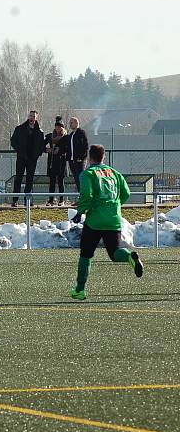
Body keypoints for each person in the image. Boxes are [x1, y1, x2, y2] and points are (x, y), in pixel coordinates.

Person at [69, 144, 143, 300]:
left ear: (90, 157)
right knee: (115, 252)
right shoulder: (114, 173)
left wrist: (80, 212)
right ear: (104, 157)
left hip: (95, 220)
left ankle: (80, 290)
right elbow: (126, 193)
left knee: (86, 254)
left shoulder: (88, 173)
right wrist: (114, 206)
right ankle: (130, 256)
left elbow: (87, 196)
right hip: (113, 218)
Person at [10, 110, 44, 207]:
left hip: (32, 159)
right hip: (21, 158)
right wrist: (19, 150)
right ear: (28, 117)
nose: (32, 118)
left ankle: (27, 201)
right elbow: (13, 141)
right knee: (18, 178)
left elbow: (41, 145)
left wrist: (37, 154)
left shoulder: (39, 132)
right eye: (30, 116)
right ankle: (15, 200)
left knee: (30, 179)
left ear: (36, 118)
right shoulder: (20, 129)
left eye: (34, 116)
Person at [45, 116, 68, 206]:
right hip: (52, 162)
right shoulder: (50, 136)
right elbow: (42, 145)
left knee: (61, 181)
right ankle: (51, 200)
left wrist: (60, 150)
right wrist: (47, 150)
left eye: (60, 126)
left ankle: (61, 200)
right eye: (57, 126)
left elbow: (67, 149)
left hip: (61, 161)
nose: (58, 128)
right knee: (52, 181)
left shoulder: (66, 137)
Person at [66, 117, 89, 195]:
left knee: (80, 178)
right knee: (76, 178)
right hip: (72, 160)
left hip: (79, 160)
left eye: (71, 122)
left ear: (76, 123)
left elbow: (85, 146)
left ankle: (83, 196)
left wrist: (82, 158)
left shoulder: (81, 132)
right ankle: (80, 196)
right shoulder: (71, 134)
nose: (70, 124)